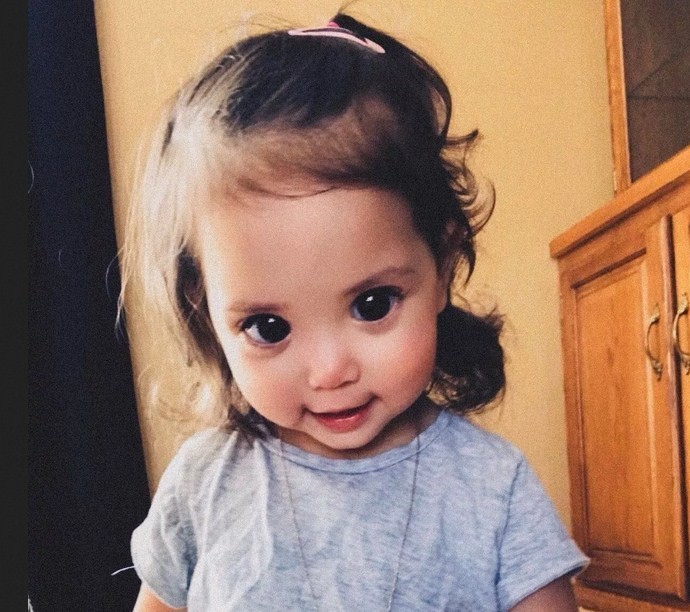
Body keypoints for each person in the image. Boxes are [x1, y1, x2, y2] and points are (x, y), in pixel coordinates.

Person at [121, 12, 588, 612]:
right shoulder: (204, 482)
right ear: (205, 308)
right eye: (268, 327)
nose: (330, 371)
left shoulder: (493, 487)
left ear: (442, 267)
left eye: (372, 305)